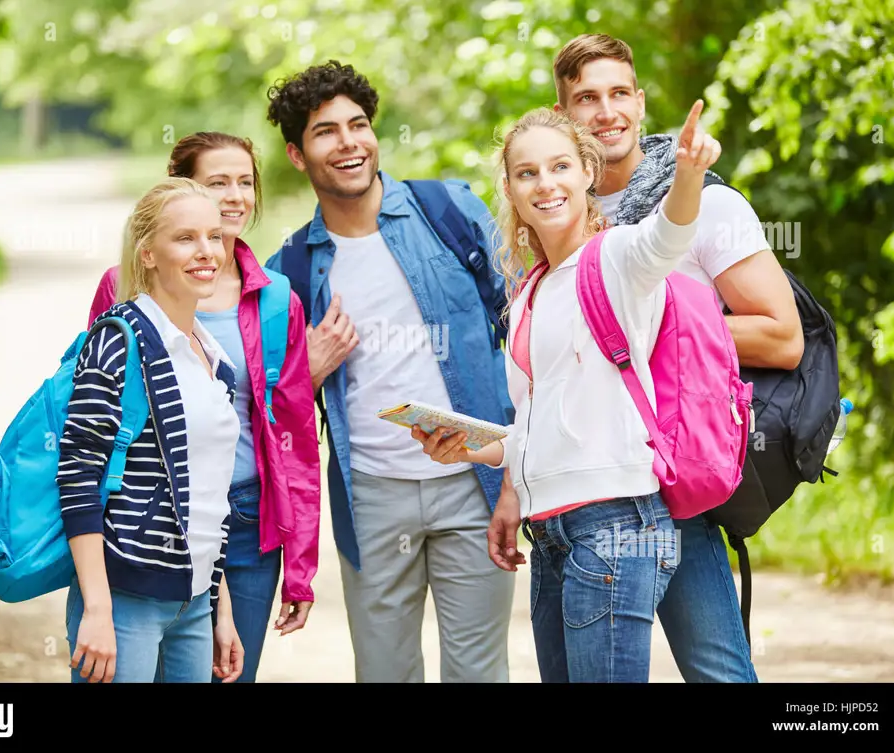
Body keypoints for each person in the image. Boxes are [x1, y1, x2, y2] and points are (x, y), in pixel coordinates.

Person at [415, 101, 723, 682]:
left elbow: (667, 238)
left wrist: (687, 175)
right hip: (551, 534)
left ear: (588, 171)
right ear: (509, 188)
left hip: (613, 525)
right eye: (527, 173)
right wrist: (469, 445)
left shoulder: (615, 258)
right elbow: (537, 431)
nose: (545, 184)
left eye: (560, 167)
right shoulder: (530, 291)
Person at [541, 33, 805, 683]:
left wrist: (656, 326)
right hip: (574, 488)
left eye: (618, 93)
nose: (606, 111)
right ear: (563, 113)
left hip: (667, 477)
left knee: (716, 672)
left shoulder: (705, 203)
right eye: (586, 99)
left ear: (640, 100)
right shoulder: (559, 211)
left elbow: (781, 334)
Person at [262, 60, 516, 683]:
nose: (348, 143)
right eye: (326, 132)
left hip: (473, 478)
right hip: (371, 494)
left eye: (358, 125)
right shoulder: (288, 271)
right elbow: (266, 410)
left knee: (478, 672)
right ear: (298, 155)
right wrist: (308, 371)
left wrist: (518, 464)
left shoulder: (450, 210)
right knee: (383, 672)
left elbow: (527, 328)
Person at [85, 132, 321, 684]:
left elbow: (296, 441)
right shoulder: (122, 291)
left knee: (230, 670)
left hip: (241, 522)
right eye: (218, 183)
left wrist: (302, 568)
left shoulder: (276, 299)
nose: (235, 196)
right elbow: (95, 431)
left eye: (246, 182)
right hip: (145, 525)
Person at [59, 177, 245, 683]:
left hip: (194, 604)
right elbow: (77, 477)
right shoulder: (119, 340)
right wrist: (98, 610)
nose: (206, 251)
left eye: (213, 235)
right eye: (185, 238)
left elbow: (210, 499)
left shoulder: (215, 359)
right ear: (147, 254)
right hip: (125, 601)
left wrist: (219, 609)